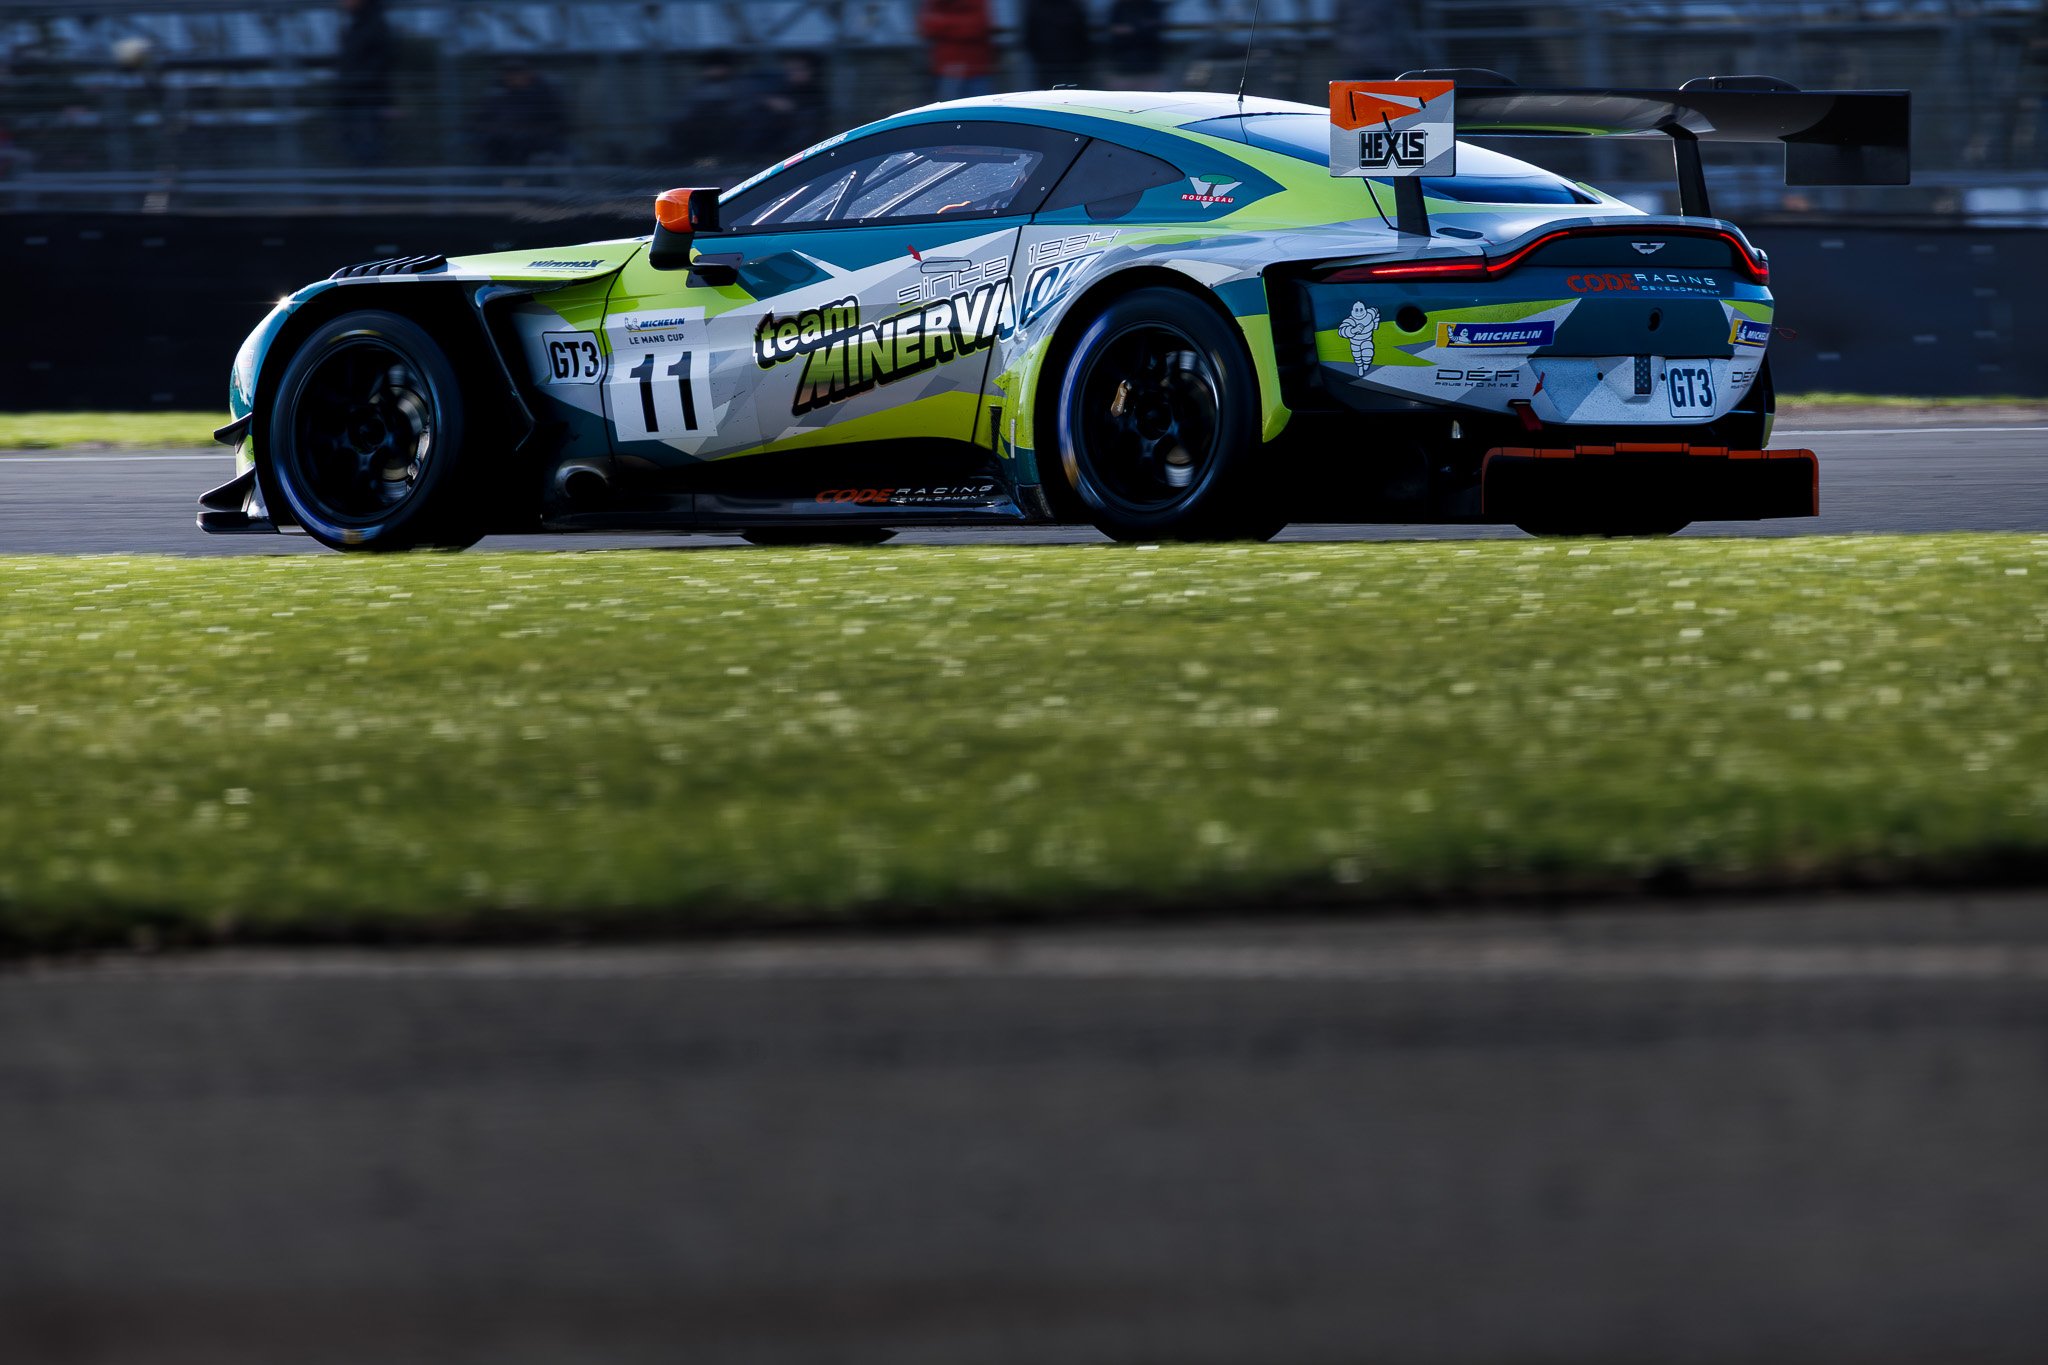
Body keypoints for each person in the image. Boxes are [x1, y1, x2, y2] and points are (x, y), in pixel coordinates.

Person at [476, 60, 569, 167]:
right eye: (509, 73)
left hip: (537, 144)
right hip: (502, 144)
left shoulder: (545, 94)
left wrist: (531, 131)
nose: (513, 77)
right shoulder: (495, 94)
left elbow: (560, 122)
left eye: (518, 72)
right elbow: (482, 121)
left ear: (529, 73)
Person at [334, 0, 394, 166]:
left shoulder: (373, 25)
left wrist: (352, 85)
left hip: (366, 101)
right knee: (354, 150)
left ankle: (371, 185)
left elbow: (381, 63)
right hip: (355, 100)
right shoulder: (358, 25)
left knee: (367, 154)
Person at [919, 0, 995, 103]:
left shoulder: (976, 2)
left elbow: (976, 27)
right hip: (946, 69)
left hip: (976, 68)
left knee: (981, 111)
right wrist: (961, 25)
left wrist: (944, 25)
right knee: (947, 112)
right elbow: (928, 26)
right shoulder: (937, 3)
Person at [1023, 0, 1092, 90]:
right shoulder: (1037, 7)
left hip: (1071, 60)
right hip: (1046, 61)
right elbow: (1031, 33)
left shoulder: (1072, 6)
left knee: (1072, 91)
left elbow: (1081, 32)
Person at [1104, 0, 1167, 91]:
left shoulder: (1151, 6)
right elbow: (1115, 29)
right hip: (1122, 64)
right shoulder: (1120, 6)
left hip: (1150, 64)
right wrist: (1139, 28)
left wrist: (1133, 29)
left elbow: (1154, 26)